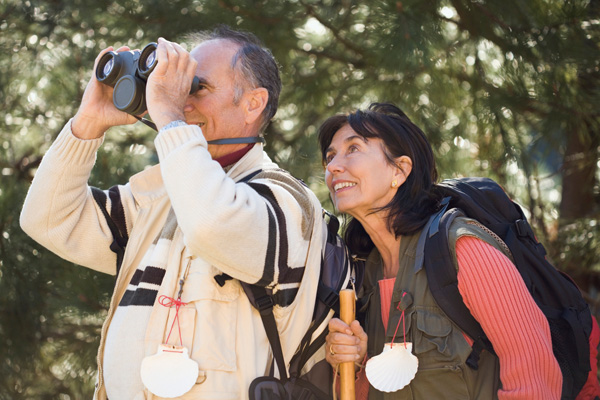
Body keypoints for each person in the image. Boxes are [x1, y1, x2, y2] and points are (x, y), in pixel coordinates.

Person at [20, 26, 326, 400]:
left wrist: (168, 113)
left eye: (196, 87)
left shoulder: (285, 199)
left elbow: (211, 225)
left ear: (253, 103)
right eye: (177, 86)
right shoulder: (160, 195)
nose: (181, 101)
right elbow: (49, 220)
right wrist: (88, 123)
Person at [319, 102, 569, 399]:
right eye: (330, 156)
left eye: (353, 149)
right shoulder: (361, 273)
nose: (332, 166)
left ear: (400, 169)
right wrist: (357, 361)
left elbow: (534, 381)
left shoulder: (462, 250)